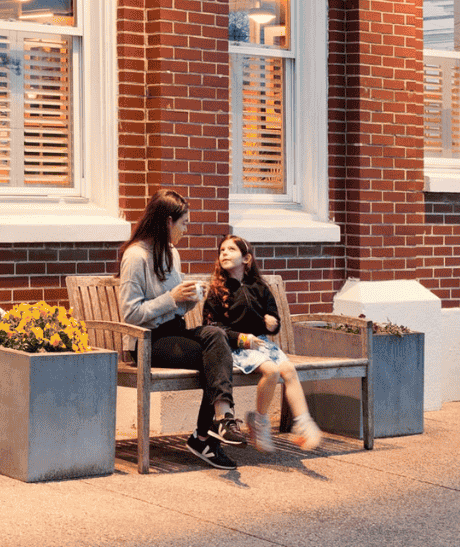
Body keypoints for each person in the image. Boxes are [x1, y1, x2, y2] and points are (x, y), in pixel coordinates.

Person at [118, 189, 240, 470]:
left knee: (216, 335)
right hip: (148, 341)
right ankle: (206, 435)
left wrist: (188, 300)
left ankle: (220, 420)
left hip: (174, 333)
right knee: (217, 356)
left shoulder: (171, 253)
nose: (186, 230)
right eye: (184, 223)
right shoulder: (135, 257)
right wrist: (172, 298)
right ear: (168, 221)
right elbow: (130, 313)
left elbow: (176, 308)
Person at [203, 234, 323, 453]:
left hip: (262, 343)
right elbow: (213, 327)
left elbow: (274, 319)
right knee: (271, 372)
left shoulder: (260, 287)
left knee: (288, 369)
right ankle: (259, 423)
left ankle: (304, 424)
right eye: (222, 250)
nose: (225, 253)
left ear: (246, 258)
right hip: (238, 346)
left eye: (231, 249)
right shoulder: (218, 291)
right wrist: (241, 338)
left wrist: (271, 324)